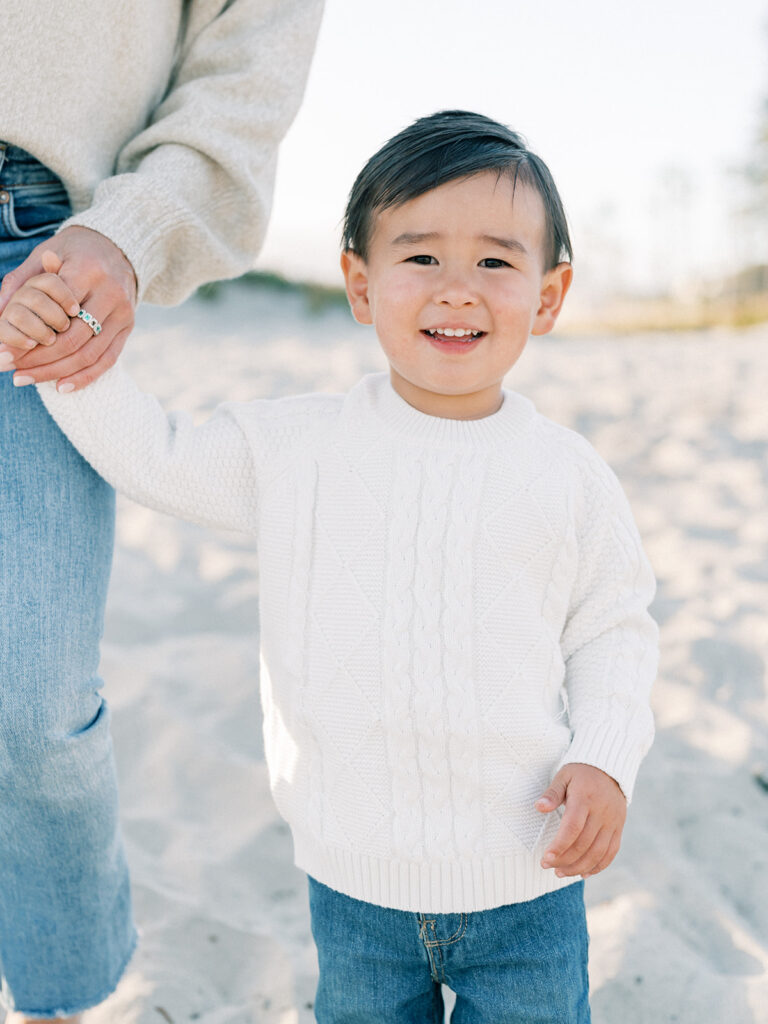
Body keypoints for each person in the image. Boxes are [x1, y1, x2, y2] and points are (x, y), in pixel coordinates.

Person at [1, 110, 658, 1024]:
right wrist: (62, 352)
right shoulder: (296, 448)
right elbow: (158, 456)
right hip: (353, 883)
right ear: (360, 283)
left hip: (529, 878)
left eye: (497, 263)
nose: (458, 290)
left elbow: (613, 630)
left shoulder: (570, 475)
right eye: (421, 258)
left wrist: (606, 759)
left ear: (550, 296)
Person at [0, 1, 323, 1019]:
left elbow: (245, 75)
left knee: (32, 699)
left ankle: (67, 996)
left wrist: (128, 233)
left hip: (43, 247)